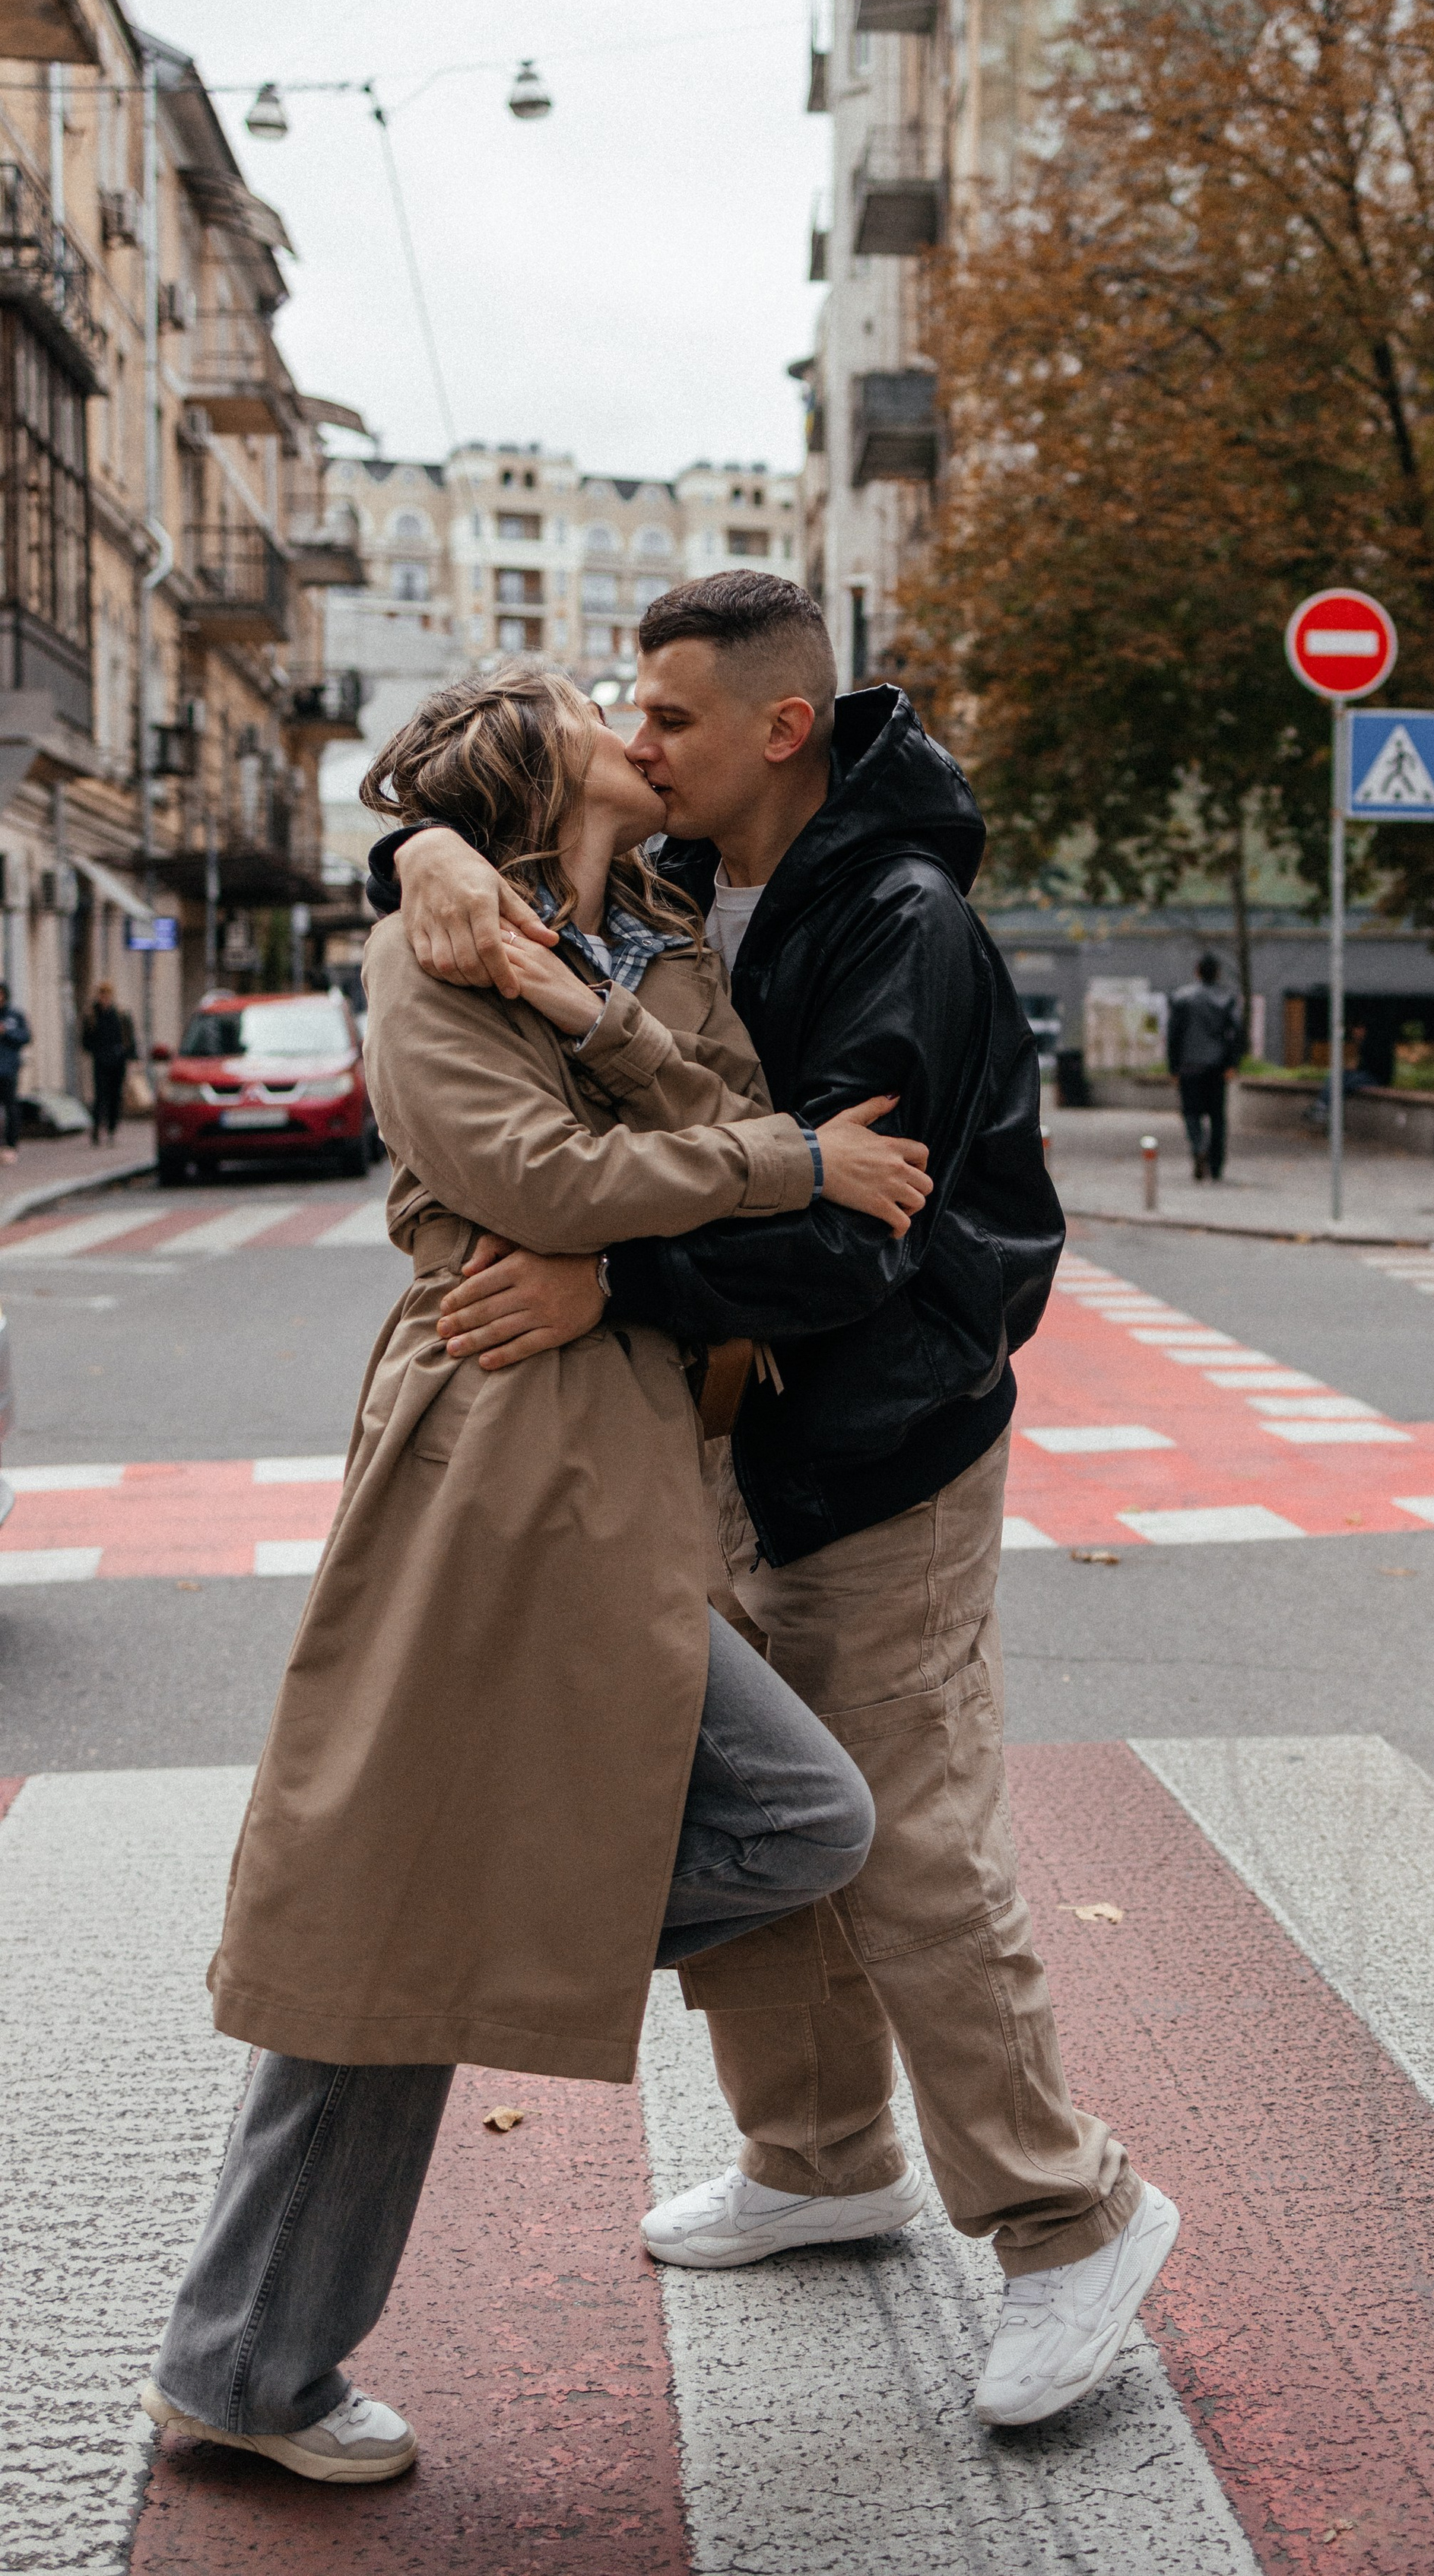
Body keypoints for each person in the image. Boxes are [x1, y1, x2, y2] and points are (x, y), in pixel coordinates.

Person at [376, 570, 1179, 2432]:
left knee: (904, 1839)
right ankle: (819, 2158)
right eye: (629, 712)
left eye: (667, 714)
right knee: (742, 1803)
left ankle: (1069, 2218)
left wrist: (607, 1283)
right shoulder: (674, 878)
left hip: (880, 1433)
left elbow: (853, 1224)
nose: (635, 739)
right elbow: (481, 833)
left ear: (779, 725)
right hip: (718, 1428)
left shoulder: (898, 921)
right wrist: (417, 848)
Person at [140, 660, 934, 2488]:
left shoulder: (654, 936)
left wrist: (622, 1033)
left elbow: (709, 1116)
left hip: (625, 1440)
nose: (634, 728)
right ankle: (240, 2363)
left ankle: (269, 2311)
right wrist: (780, 1159)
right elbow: (537, 1180)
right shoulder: (428, 947)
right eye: (598, 706)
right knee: (389, 1911)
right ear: (530, 758)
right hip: (492, 1441)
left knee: (781, 1820)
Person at [1166, 953, 1244, 1182]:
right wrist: (1232, 1063)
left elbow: (1174, 1034)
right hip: (1217, 1067)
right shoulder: (1227, 998)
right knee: (1217, 1117)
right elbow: (1236, 1033)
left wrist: (1173, 1067)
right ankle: (1216, 1165)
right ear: (1218, 972)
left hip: (1189, 1066)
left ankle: (1198, 1147)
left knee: (1191, 1113)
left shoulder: (1182, 998)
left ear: (1197, 971)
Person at [82, 982, 136, 1144]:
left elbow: (129, 1038)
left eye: (107, 996)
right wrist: (97, 1051)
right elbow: (85, 1040)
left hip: (118, 1061)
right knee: (100, 1096)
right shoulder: (93, 1016)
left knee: (115, 1095)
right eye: (102, 995)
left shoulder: (120, 1014)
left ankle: (112, 1128)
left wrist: (130, 1056)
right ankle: (97, 1128)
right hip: (101, 1061)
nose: (104, 999)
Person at [0, 981, 30, 1164]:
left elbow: (25, 1037)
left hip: (9, 1069)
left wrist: (6, 1032)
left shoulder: (15, 1015)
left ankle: (11, 1145)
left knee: (11, 1107)